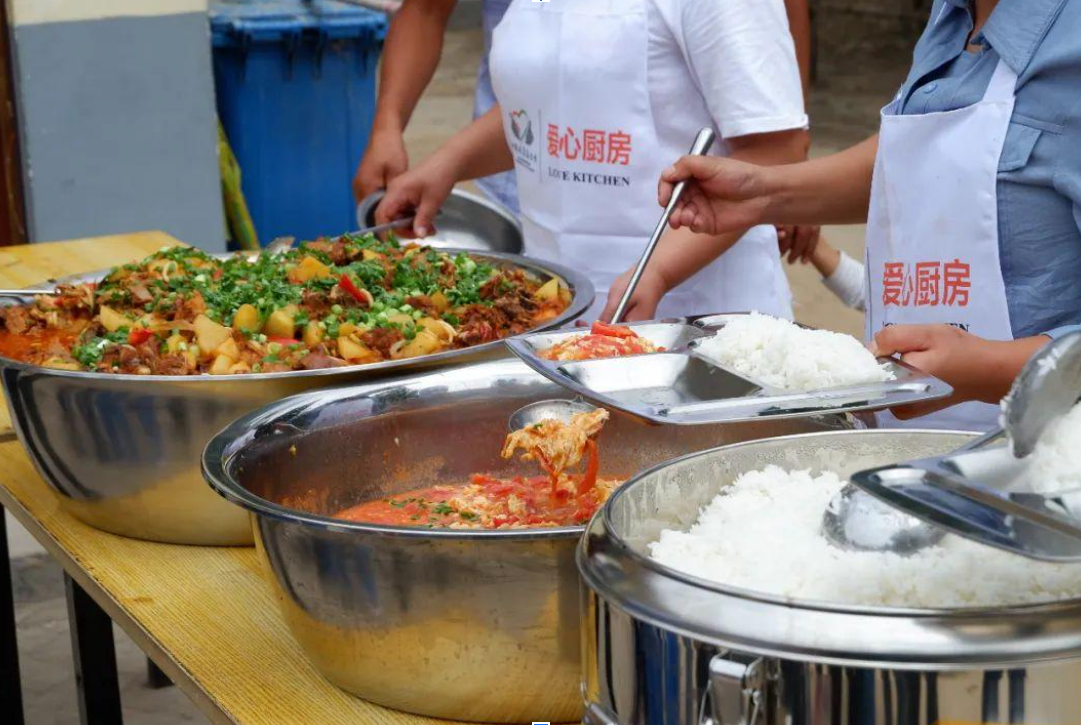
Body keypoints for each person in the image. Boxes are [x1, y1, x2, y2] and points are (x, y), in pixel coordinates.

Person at [658, 0, 1081, 430]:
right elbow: (924, 161)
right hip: (908, 457)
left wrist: (989, 367)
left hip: (1040, 466)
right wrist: (762, 194)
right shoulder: (953, 15)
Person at [375, 0, 810, 322]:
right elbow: (550, 106)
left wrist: (657, 271)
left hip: (700, 324)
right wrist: (447, 165)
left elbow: (777, 149)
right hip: (554, 311)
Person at [353, 0, 519, 213]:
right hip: (507, 184)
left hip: (567, 164)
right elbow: (426, 9)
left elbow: (559, 94)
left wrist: (452, 161)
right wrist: (386, 128)